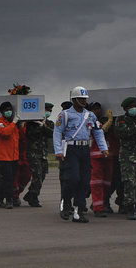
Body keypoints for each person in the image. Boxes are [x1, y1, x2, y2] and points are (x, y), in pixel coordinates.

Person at [54, 87, 108, 223]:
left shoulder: (90, 115)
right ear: (74, 100)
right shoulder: (65, 115)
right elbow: (57, 132)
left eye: (85, 99)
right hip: (71, 149)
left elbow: (98, 132)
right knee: (72, 179)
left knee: (84, 181)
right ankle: (66, 203)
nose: (84, 101)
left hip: (85, 149)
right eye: (81, 99)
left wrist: (104, 148)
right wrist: (58, 151)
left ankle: (79, 211)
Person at [22, 103, 54, 207]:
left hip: (44, 154)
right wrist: (40, 126)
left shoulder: (49, 123)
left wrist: (44, 126)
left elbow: (52, 133)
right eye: (46, 109)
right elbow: (31, 134)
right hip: (33, 153)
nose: (48, 112)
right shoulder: (32, 124)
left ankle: (30, 194)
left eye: (50, 110)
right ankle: (34, 197)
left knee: (43, 175)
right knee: (37, 176)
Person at [88, 102, 115, 217]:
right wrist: (109, 122)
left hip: (107, 155)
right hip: (96, 156)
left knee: (106, 183)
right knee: (96, 183)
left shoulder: (104, 119)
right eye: (95, 109)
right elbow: (100, 131)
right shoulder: (90, 121)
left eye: (99, 108)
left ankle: (103, 204)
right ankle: (97, 208)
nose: (97, 111)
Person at [0, 101, 20, 209]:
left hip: (14, 156)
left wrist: (21, 126)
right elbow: (5, 132)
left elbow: (19, 137)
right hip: (3, 157)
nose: (8, 111)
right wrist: (14, 123)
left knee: (10, 180)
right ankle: (9, 200)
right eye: (6, 110)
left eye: (10, 109)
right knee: (7, 179)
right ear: (1, 112)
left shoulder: (13, 124)